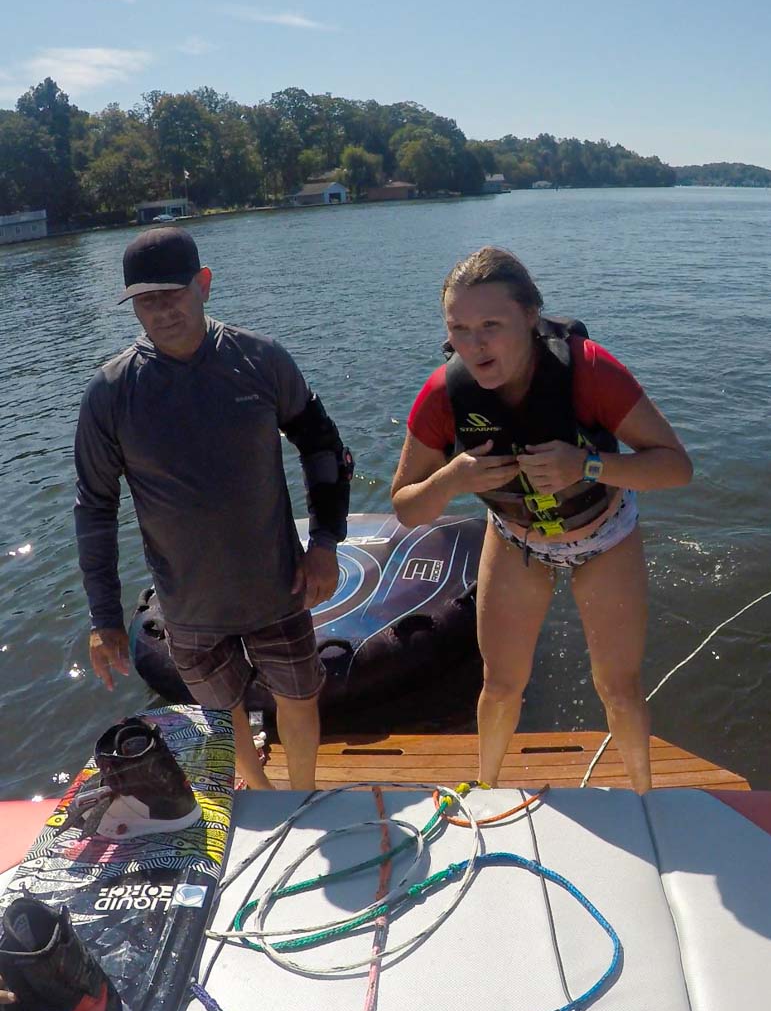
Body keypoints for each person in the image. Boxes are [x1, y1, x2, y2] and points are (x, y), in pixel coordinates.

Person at [391, 247, 692, 794]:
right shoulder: (443, 393)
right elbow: (407, 506)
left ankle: (646, 799)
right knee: (501, 684)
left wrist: (590, 464)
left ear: (530, 317)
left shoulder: (591, 371)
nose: (475, 345)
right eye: (458, 329)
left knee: (617, 687)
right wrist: (450, 480)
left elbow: (675, 467)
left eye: (491, 325)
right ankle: (485, 791)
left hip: (604, 537)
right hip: (515, 540)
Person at [74, 226, 351, 791]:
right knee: (223, 715)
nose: (160, 311)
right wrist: (105, 619)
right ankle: (262, 790)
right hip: (187, 607)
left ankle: (301, 792)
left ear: (203, 285)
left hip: (277, 588)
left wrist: (325, 542)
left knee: (300, 695)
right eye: (144, 300)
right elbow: (94, 508)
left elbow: (324, 447)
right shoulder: (110, 393)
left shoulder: (261, 360)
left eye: (171, 294)